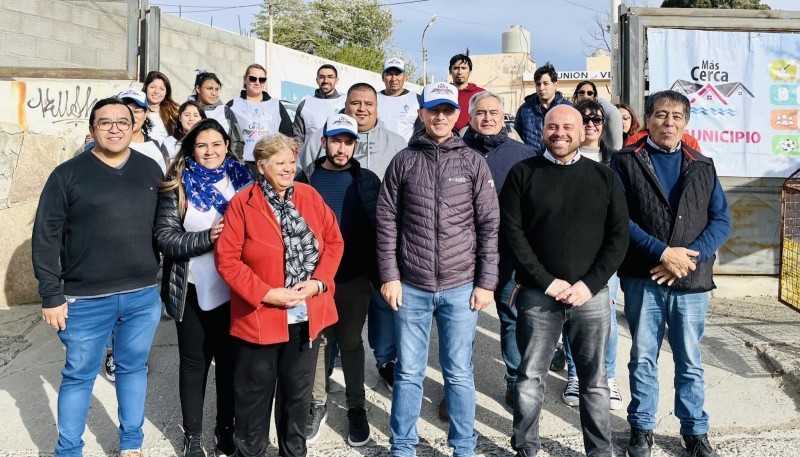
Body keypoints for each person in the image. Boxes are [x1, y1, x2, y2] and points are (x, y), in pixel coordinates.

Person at [32, 97, 164, 457]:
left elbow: (165, 227)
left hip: (141, 296)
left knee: (132, 369)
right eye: (105, 122)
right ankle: (69, 449)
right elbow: (46, 236)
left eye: (122, 121)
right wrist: (50, 294)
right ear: (92, 129)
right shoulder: (67, 175)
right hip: (85, 300)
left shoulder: (150, 169)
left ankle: (131, 443)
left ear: (133, 126)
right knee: (78, 376)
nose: (115, 128)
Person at [377, 81, 499, 457]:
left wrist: (486, 282)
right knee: (409, 372)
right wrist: (390, 276)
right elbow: (386, 221)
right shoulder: (403, 161)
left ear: (457, 115)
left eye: (447, 110)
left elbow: (489, 225)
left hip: (462, 286)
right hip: (411, 286)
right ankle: (403, 446)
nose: (441, 116)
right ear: (422, 113)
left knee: (459, 371)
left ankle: (463, 445)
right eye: (434, 110)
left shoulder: (473, 162)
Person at [501, 104, 629, 457]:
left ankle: (599, 450)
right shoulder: (522, 173)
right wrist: (547, 282)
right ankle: (526, 447)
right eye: (552, 126)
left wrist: (590, 284)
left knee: (595, 380)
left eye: (568, 126)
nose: (560, 132)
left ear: (583, 130)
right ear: (542, 130)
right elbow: (512, 234)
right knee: (529, 378)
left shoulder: (604, 177)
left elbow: (618, 237)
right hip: (538, 296)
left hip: (591, 296)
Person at [612, 90, 732, 457]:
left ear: (686, 122)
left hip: (691, 280)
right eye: (661, 115)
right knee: (643, 356)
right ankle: (642, 427)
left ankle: (695, 431)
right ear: (648, 120)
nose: (669, 122)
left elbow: (721, 221)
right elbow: (619, 218)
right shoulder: (625, 162)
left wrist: (686, 259)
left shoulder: (703, 165)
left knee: (689, 358)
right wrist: (663, 253)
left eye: (677, 116)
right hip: (642, 276)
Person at [214, 133, 344, 457]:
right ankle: (251, 452)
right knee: (254, 398)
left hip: (304, 316)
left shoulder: (309, 196)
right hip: (260, 318)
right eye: (279, 162)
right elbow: (227, 260)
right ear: (261, 166)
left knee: (297, 398)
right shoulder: (243, 204)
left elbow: (333, 242)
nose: (288, 168)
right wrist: (265, 293)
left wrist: (319, 283)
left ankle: (293, 452)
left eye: (291, 161)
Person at [155, 119, 252, 457]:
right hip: (193, 288)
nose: (209, 151)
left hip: (235, 291)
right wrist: (207, 238)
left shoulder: (244, 182)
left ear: (227, 145)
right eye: (201, 145)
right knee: (194, 363)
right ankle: (193, 437)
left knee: (228, 363)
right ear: (191, 148)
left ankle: (225, 429)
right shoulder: (177, 184)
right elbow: (165, 238)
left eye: (216, 144)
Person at [296, 114, 382, 447]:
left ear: (355, 145)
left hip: (354, 278)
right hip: (314, 279)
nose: (342, 148)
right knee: (317, 342)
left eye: (348, 142)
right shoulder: (306, 178)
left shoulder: (367, 180)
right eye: (336, 140)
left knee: (349, 343)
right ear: (324, 142)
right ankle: (317, 404)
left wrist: (377, 276)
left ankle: (356, 406)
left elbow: (382, 228)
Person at [461, 91, 536, 409]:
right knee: (462, 322)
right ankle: (459, 389)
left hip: (509, 253)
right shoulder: (456, 150)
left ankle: (514, 382)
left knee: (510, 317)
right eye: (481, 113)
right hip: (463, 254)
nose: (488, 118)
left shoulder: (524, 154)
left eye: (494, 112)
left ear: (503, 116)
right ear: (471, 116)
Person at [560, 99, 624, 412]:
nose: (590, 125)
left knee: (607, 316)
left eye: (596, 119)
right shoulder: (561, 158)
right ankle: (575, 375)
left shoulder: (616, 161)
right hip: (571, 251)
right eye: (583, 119)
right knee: (572, 315)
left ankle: (608, 377)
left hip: (604, 257)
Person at [299, 83, 406, 179]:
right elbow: (299, 177)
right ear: (345, 105)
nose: (362, 109)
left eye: (369, 104)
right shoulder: (319, 138)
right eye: (355, 103)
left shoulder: (397, 143)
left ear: (376, 106)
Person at [227, 63, 293, 173]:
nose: (257, 82)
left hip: (269, 163)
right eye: (253, 79)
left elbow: (287, 135)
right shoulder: (233, 105)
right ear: (244, 80)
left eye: (262, 79)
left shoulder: (276, 105)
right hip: (241, 163)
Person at [515, 62, 573, 154]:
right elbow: (517, 139)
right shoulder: (524, 109)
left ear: (555, 85)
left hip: (559, 161)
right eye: (538, 84)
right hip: (531, 162)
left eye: (545, 83)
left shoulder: (569, 108)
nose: (541, 88)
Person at [192, 70, 244, 159]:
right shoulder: (187, 110)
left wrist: (231, 162)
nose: (214, 93)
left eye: (216, 89)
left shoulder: (224, 111)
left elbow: (237, 141)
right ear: (198, 89)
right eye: (209, 88)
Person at [292, 64, 346, 148]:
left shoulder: (345, 102)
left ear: (337, 80)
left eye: (330, 77)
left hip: (339, 155)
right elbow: (298, 136)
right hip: (311, 157)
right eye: (322, 77)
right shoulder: (305, 104)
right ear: (317, 80)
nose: (325, 80)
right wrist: (301, 156)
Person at [117, 89, 169, 174]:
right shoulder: (105, 145)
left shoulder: (158, 148)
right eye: (126, 111)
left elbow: (166, 182)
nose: (131, 117)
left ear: (146, 114)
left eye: (136, 111)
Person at [377, 57, 421, 142]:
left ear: (405, 76)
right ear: (383, 77)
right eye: (389, 74)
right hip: (378, 153)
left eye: (397, 74)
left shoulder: (416, 99)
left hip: (406, 153)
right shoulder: (373, 98)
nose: (393, 79)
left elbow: (420, 132)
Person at [572, 80, 623, 151]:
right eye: (581, 92)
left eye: (596, 120)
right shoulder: (571, 113)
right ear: (576, 95)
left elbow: (614, 114)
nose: (585, 96)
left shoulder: (602, 111)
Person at [449, 52, 485, 131]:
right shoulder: (443, 93)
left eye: (463, 68)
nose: (459, 72)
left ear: (470, 72)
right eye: (456, 68)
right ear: (450, 71)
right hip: (447, 140)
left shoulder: (481, 94)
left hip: (473, 139)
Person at [142, 70, 179, 143]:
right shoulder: (138, 110)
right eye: (152, 87)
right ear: (146, 88)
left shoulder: (173, 113)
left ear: (166, 92)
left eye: (162, 89)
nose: (156, 91)